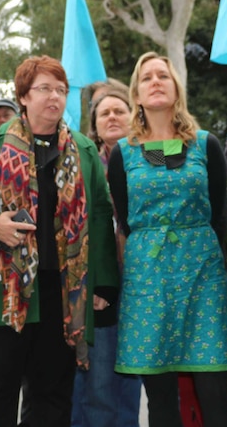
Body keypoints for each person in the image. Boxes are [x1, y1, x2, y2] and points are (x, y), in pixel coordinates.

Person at [0, 55, 119, 427]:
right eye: (44, 89)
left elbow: (102, 217)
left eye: (60, 89)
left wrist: (104, 283)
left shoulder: (83, 149)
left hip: (63, 294)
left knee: (52, 399)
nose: (54, 97)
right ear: (24, 96)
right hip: (2, 293)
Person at [107, 52, 227, 427]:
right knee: (160, 396)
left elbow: (219, 216)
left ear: (177, 87)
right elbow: (124, 220)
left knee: (213, 387)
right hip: (148, 279)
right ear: (137, 94)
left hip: (202, 276)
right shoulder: (123, 152)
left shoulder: (206, 144)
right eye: (147, 77)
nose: (156, 81)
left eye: (163, 75)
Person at [70, 82, 141, 427]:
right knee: (96, 376)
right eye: (104, 113)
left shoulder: (150, 156)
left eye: (119, 111)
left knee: (133, 374)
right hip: (97, 280)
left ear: (133, 116)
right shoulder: (82, 162)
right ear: (94, 124)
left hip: (143, 277)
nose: (112, 117)